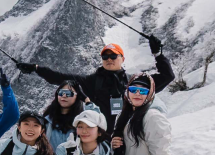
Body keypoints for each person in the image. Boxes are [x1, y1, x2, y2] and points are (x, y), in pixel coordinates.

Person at [17, 38, 174, 132]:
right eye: (105, 56)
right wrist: (36, 68)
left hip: (129, 137)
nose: (109, 59)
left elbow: (167, 76)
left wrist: (158, 55)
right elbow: (59, 77)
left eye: (113, 56)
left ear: (123, 59)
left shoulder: (134, 82)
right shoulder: (91, 81)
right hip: (100, 138)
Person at [110, 72, 175, 155]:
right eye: (133, 89)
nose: (137, 93)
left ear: (150, 94)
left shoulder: (153, 117)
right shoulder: (123, 116)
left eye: (143, 91)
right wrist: (114, 144)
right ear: (127, 91)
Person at [41, 81, 87, 151]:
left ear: (78, 96)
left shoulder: (82, 121)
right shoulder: (46, 121)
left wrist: (86, 100)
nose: (64, 96)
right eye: (61, 92)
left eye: (69, 93)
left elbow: (98, 123)